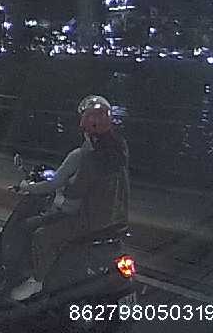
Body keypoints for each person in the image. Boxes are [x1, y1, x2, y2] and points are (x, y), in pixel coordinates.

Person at [10, 95, 129, 301]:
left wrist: (27, 187)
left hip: (89, 221)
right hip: (116, 221)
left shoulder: (83, 156)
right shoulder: (120, 149)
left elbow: (65, 192)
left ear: (85, 124)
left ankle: (37, 282)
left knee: (40, 235)